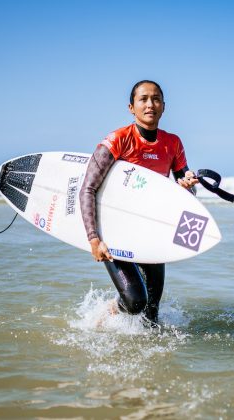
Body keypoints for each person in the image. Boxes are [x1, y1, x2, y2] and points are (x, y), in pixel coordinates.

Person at [79, 80, 198, 326]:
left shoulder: (172, 143)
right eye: (143, 99)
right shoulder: (117, 140)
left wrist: (188, 186)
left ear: (164, 107)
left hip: (149, 230)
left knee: (152, 313)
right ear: (131, 107)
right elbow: (88, 189)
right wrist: (94, 238)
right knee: (135, 303)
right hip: (114, 231)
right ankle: (111, 309)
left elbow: (187, 192)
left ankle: (152, 358)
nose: (150, 104)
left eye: (155, 99)